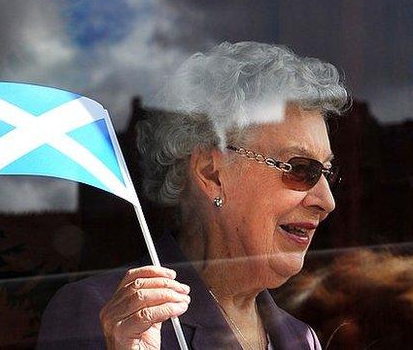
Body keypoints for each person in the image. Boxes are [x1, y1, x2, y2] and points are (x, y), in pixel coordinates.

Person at [37, 41, 350, 349]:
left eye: (326, 171)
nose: (326, 201)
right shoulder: (107, 317)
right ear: (211, 173)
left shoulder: (301, 339)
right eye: (300, 169)